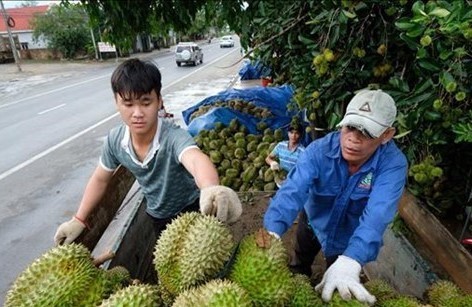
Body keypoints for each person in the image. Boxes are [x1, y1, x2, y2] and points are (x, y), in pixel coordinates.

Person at [54, 59, 242, 246]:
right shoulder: (115, 141)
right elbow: (100, 179)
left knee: (203, 255)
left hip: (192, 208)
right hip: (156, 215)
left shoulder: (173, 137)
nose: (137, 113)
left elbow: (195, 159)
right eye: (128, 104)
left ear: (159, 101)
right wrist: (79, 219)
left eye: (146, 103)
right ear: (116, 103)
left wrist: (210, 188)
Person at [263, 89, 407, 305]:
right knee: (300, 259)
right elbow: (292, 191)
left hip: (347, 237)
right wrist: (271, 231)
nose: (353, 139)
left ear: (386, 135)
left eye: (366, 133)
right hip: (313, 222)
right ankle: (297, 278)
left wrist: (352, 259)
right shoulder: (318, 151)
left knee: (338, 281)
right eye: (349, 128)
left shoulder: (392, 165)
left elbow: (378, 213)